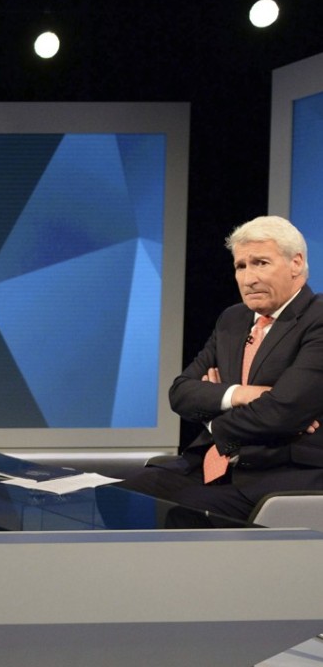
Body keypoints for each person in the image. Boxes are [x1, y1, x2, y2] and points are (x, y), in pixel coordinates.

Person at [116, 215, 323, 526]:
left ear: (296, 263)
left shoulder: (316, 319)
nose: (248, 278)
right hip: (212, 464)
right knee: (122, 499)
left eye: (261, 263)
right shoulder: (233, 319)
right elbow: (181, 392)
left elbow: (284, 410)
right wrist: (239, 394)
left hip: (279, 474)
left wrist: (213, 415)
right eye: (241, 266)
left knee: (182, 516)